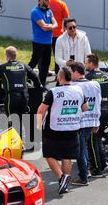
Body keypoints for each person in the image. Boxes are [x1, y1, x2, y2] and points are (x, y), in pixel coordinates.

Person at [37, 67, 87, 195]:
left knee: (48, 154)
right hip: (72, 128)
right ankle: (64, 184)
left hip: (54, 129)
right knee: (67, 156)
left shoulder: (53, 92)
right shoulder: (79, 90)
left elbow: (41, 110)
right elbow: (85, 108)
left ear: (59, 78)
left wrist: (38, 126)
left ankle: (61, 177)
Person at [0, 46, 42, 142]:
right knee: (23, 118)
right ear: (16, 55)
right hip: (24, 98)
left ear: (6, 56)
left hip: (11, 98)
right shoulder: (24, 66)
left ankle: (16, 144)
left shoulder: (2, 67)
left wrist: (0, 96)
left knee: (13, 122)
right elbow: (35, 78)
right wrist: (38, 88)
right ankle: (30, 142)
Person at [69, 62, 102, 184]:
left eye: (71, 72)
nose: (70, 74)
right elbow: (97, 103)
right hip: (91, 120)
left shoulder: (73, 86)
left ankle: (83, 177)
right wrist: (96, 121)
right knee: (84, 148)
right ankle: (86, 171)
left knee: (80, 151)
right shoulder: (95, 84)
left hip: (79, 123)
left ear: (77, 72)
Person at [28, 0, 57, 88]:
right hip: (38, 42)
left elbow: (56, 24)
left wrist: (51, 26)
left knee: (46, 64)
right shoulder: (35, 11)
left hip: (48, 42)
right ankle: (25, 76)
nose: (48, 1)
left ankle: (42, 84)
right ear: (40, 0)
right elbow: (44, 27)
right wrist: (51, 26)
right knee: (34, 62)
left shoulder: (49, 11)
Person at [48, 0, 70, 78]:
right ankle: (58, 73)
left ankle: (44, 71)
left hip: (46, 34)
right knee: (58, 55)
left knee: (45, 55)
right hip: (58, 34)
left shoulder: (46, 3)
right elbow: (66, 19)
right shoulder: (62, 4)